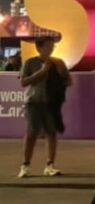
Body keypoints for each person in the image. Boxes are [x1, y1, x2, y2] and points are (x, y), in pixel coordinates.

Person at [18, 37, 71, 178]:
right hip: (34, 102)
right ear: (39, 47)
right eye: (48, 46)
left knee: (51, 133)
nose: (51, 49)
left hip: (51, 103)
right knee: (32, 133)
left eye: (53, 46)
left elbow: (68, 80)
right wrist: (42, 71)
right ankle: (25, 165)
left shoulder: (58, 62)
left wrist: (60, 74)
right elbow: (23, 82)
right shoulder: (30, 62)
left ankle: (50, 165)